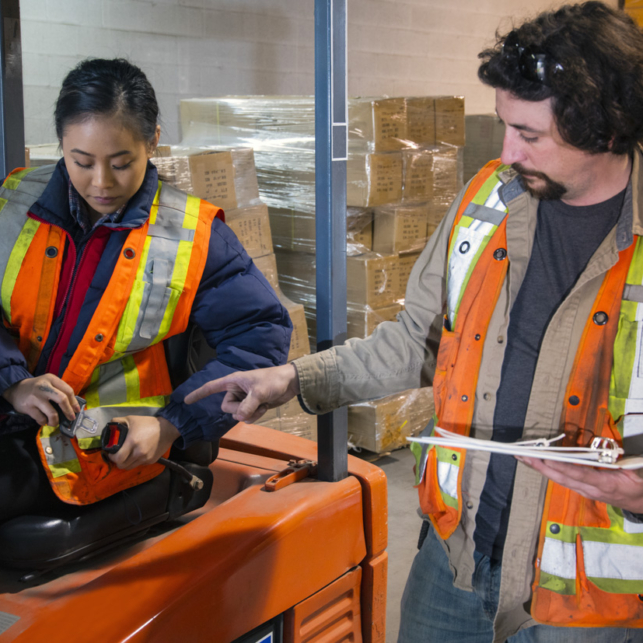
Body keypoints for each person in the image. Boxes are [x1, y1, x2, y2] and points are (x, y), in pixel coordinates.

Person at [186, 3, 643, 641]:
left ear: (610, 131)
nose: (507, 150)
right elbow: (414, 343)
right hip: (455, 557)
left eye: (530, 135)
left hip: (589, 600)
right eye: (506, 125)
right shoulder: (490, 198)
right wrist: (291, 380)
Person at [0, 58, 292, 518]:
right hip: (12, 415)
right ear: (61, 142)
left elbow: (259, 339)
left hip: (103, 447)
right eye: (81, 161)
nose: (101, 182)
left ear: (153, 139)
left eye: (121, 163)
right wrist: (13, 382)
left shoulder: (194, 234)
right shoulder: (15, 202)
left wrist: (173, 426)